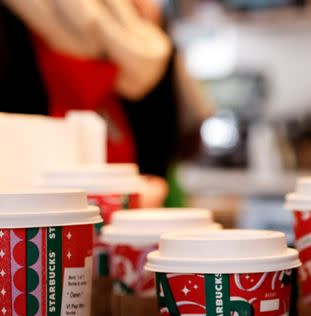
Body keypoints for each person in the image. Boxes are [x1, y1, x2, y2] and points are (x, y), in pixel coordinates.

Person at [0, 0, 197, 207]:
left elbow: (164, 155)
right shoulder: (141, 35)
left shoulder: (143, 30)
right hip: (31, 217)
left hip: (132, 216)